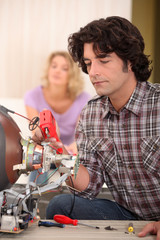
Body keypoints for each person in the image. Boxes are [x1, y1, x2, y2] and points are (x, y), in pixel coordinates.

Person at [34, 17, 160, 238]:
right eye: (89, 63)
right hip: (128, 214)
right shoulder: (91, 113)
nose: (92, 72)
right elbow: (89, 186)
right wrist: (58, 151)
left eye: (103, 60)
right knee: (60, 206)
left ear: (129, 61)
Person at [24, 51, 91, 184]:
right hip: (46, 150)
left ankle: (71, 200)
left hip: (71, 152)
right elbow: (37, 134)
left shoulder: (84, 99)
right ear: (48, 69)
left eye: (64, 68)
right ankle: (34, 197)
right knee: (39, 156)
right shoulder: (32, 96)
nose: (57, 71)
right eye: (54, 66)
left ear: (71, 74)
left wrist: (72, 147)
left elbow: (81, 134)